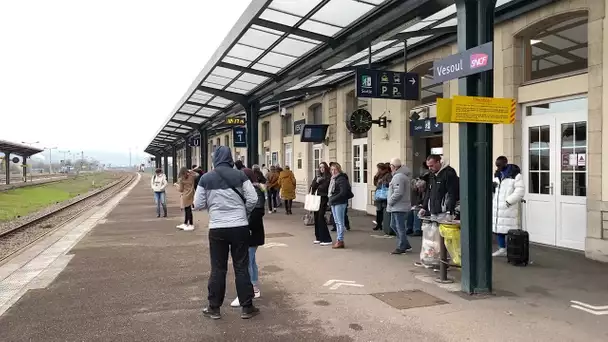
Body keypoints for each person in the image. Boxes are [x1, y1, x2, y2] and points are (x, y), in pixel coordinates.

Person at [193, 146, 260, 320]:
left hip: (217, 228)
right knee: (241, 266)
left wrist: (213, 207)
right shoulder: (240, 175)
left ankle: (214, 308)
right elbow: (253, 198)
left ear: (215, 159)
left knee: (218, 268)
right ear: (230, 158)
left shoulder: (205, 178)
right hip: (239, 227)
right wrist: (243, 212)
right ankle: (247, 307)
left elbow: (198, 204)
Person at [231, 165, 266, 307]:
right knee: (250, 260)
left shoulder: (255, 191)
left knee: (248, 260)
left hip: (252, 231)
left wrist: (246, 226)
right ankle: (254, 286)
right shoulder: (251, 190)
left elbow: (257, 212)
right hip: (251, 231)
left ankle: (252, 288)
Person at [492, 156, 525, 257]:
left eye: (500, 165)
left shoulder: (515, 175)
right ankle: (502, 249)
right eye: (497, 165)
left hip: (508, 206)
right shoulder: (497, 174)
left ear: (505, 164)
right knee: (499, 230)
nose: (498, 167)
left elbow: (520, 191)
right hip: (498, 206)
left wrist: (508, 201)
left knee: (509, 231)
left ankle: (511, 250)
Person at [387, 158, 413, 254]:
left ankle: (402, 246)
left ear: (393, 167)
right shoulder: (400, 176)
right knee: (394, 225)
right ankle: (405, 244)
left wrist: (390, 201)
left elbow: (398, 192)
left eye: (390, 166)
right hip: (398, 205)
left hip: (398, 206)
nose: (390, 168)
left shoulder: (398, 177)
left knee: (399, 226)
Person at [421, 154, 459, 220]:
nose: (429, 168)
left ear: (438, 162)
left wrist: (450, 211)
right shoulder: (432, 174)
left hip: (444, 212)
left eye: (431, 166)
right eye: (428, 166)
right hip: (433, 210)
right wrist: (424, 207)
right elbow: (429, 191)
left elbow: (452, 193)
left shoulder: (449, 173)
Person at [328, 162, 352, 249]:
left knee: (340, 222)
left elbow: (343, 192)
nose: (333, 171)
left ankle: (340, 240)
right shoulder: (333, 179)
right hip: (334, 202)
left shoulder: (341, 178)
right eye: (332, 169)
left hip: (340, 202)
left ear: (338, 169)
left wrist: (333, 198)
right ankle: (339, 239)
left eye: (335, 169)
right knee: (336, 222)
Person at [310, 162, 333, 246]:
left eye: (323, 167)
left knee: (321, 217)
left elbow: (324, 187)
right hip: (316, 198)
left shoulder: (328, 177)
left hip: (323, 198)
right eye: (320, 167)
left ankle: (327, 238)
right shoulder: (318, 176)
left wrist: (319, 183)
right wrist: (317, 181)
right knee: (316, 217)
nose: (321, 169)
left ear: (326, 168)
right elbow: (312, 186)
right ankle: (318, 237)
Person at [176, 167, 196, 231]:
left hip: (185, 195)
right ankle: (186, 223)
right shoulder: (191, 176)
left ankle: (190, 224)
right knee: (189, 210)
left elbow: (181, 189)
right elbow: (197, 174)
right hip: (191, 194)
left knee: (187, 210)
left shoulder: (181, 179)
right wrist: (191, 171)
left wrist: (176, 185)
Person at [373, 163, 392, 231]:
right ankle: (378, 224)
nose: (378, 170)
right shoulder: (379, 175)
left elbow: (390, 183)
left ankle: (384, 224)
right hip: (379, 194)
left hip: (384, 194)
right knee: (378, 210)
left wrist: (383, 182)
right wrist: (376, 177)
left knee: (383, 209)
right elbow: (375, 183)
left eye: (379, 169)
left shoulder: (388, 175)